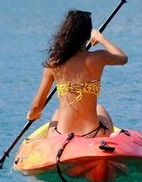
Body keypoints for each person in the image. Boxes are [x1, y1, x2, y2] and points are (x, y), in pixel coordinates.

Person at [26, 10, 127, 138]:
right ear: (87, 35)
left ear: (65, 34)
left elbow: (37, 106)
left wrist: (32, 115)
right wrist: (101, 38)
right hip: (94, 133)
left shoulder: (54, 64)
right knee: (100, 108)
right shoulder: (98, 57)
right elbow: (123, 58)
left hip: (61, 135)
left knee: (57, 113)